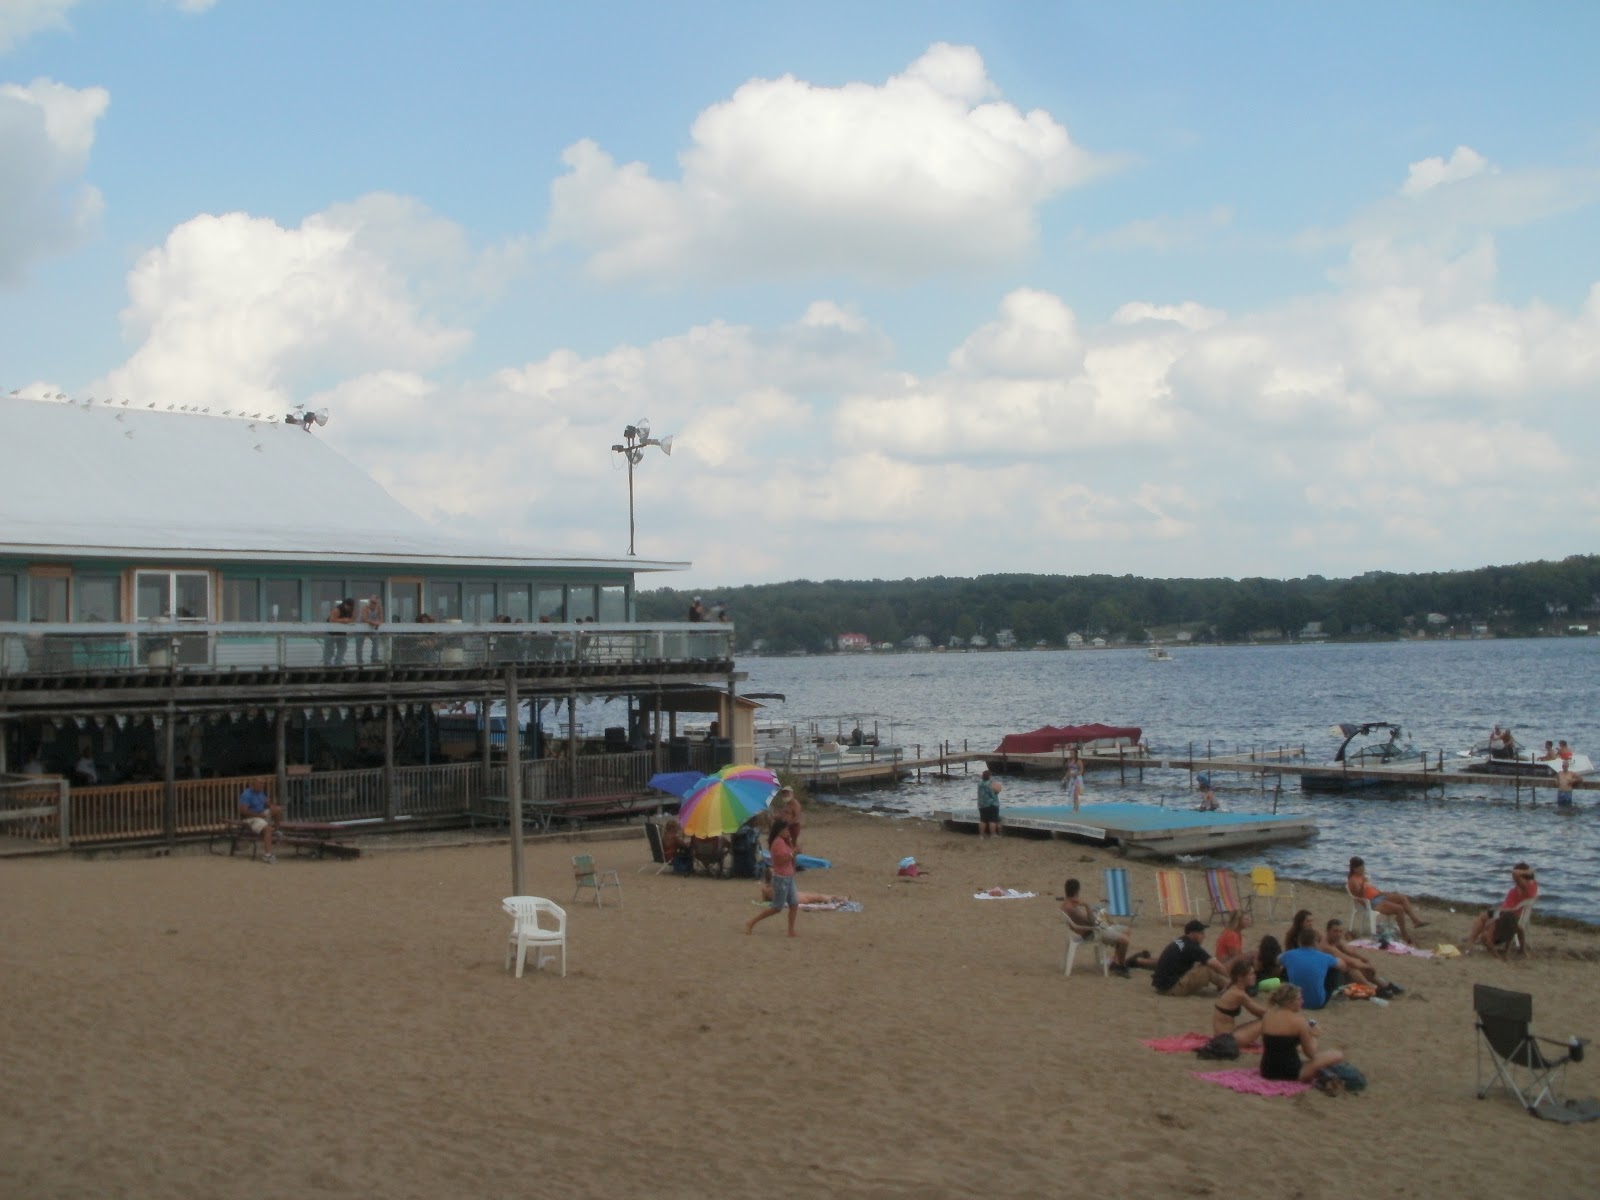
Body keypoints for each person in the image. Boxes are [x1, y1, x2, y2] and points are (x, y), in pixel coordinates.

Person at [1258, 984, 1345, 1083]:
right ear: (1290, 1002)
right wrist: (1314, 1036)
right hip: (1292, 1073)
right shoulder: (1299, 1021)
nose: (1302, 1001)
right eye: (1299, 999)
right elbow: (1311, 1054)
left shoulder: (1268, 1015)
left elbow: (1276, 1043)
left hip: (1266, 1070)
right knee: (1337, 1055)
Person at [1345, 856, 1428, 944]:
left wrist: (1382, 892)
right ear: (1355, 869)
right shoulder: (1353, 880)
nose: (1363, 869)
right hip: (1371, 902)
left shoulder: (1362, 876)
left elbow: (1370, 888)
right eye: (1361, 868)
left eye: (1363, 867)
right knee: (1399, 909)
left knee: (1402, 898)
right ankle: (1405, 935)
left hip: (1378, 896)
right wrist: (1363, 884)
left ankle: (1415, 921)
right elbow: (1359, 895)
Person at [1140, 919, 1229, 996]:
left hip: (1161, 985)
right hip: (1170, 989)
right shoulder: (1191, 947)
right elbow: (1214, 963)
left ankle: (1224, 985)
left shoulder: (1181, 940)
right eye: (1201, 933)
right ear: (1193, 933)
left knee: (1203, 964)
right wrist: (1229, 977)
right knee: (1207, 969)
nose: (1204, 936)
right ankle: (1229, 986)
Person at [1060, 877, 1131, 973]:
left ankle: (1115, 961)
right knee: (1125, 940)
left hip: (1092, 930)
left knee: (1127, 930)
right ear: (1077, 891)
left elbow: (1085, 920)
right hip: (1093, 933)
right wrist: (1087, 906)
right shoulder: (1072, 908)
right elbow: (1092, 922)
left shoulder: (1066, 905)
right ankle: (1121, 966)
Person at [1468, 862, 1538, 955]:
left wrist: (1523, 872)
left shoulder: (1525, 887)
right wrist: (1527, 873)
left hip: (1509, 914)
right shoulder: (1531, 885)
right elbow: (1524, 874)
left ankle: (1471, 941)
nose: (1513, 877)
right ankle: (1475, 939)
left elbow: (1515, 873)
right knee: (1486, 915)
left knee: (1483, 916)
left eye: (1517, 876)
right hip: (1511, 913)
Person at [745, 818, 798, 936]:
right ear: (780, 830)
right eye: (785, 830)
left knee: (794, 904)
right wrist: (793, 853)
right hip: (781, 878)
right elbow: (780, 861)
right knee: (777, 907)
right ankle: (751, 922)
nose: (787, 832)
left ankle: (791, 930)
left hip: (788, 876)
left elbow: (791, 857)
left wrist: (791, 844)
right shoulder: (777, 843)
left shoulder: (784, 841)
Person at [1279, 928, 1340, 1010]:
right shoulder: (1325, 957)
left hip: (1293, 1001)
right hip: (1317, 1003)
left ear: (1299, 942)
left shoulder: (1289, 954)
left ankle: (1290, 993)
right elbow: (1342, 965)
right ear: (1315, 943)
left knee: (1287, 967)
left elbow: (1278, 960)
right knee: (1334, 969)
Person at [1213, 959, 1267, 1045]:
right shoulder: (1239, 994)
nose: (1254, 976)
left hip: (1222, 1036)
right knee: (1267, 1020)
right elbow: (1260, 1012)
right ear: (1240, 977)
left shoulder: (1232, 988)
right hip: (1227, 1040)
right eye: (1251, 974)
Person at [238, 777, 283, 864]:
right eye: (260, 784)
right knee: (267, 829)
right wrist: (259, 815)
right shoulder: (246, 794)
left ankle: (276, 831)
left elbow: (267, 803)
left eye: (263, 784)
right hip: (250, 818)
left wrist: (272, 806)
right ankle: (267, 855)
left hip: (261, 813)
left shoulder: (260, 792)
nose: (262, 786)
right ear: (253, 785)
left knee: (278, 810)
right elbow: (243, 811)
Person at [323, 597, 355, 665]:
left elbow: (352, 620)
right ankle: (327, 664)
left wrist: (349, 627)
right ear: (345, 604)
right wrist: (343, 620)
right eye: (348, 606)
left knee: (343, 647)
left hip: (342, 632)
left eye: (351, 607)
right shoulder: (337, 609)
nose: (349, 608)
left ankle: (338, 663)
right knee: (329, 649)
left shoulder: (351, 611)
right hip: (330, 632)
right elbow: (331, 620)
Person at [356, 593, 383, 665]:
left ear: (377, 603)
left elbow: (381, 618)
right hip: (361, 628)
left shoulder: (379, 608)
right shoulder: (365, 608)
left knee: (376, 640)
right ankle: (359, 662)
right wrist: (374, 622)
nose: (372, 604)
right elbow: (364, 619)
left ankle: (374, 658)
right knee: (359, 644)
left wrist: (379, 621)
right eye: (371, 602)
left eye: (374, 602)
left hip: (371, 627)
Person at [976, 770, 1002, 838]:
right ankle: (993, 834)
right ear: (990, 776)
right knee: (992, 820)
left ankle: (981, 835)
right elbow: (998, 790)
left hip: (982, 804)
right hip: (992, 804)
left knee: (983, 820)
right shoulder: (991, 783)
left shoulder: (980, 783)